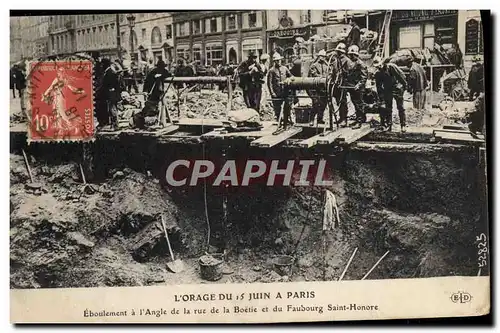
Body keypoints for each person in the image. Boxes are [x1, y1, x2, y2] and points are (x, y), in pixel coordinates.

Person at [373, 56, 408, 132]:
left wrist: (404, 87)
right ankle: (389, 125)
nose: (379, 67)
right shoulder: (378, 73)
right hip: (387, 90)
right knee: (388, 108)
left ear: (382, 63)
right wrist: (381, 98)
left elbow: (402, 76)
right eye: (377, 66)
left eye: (379, 65)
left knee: (400, 107)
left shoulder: (391, 67)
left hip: (397, 88)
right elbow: (378, 87)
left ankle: (403, 125)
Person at [134, 60, 170, 129]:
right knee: (152, 105)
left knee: (154, 105)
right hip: (153, 92)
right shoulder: (153, 72)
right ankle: (153, 119)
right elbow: (147, 81)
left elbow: (168, 74)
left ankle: (157, 118)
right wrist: (145, 91)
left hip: (158, 91)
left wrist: (160, 76)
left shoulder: (163, 71)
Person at [331, 42, 354, 127]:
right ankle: (341, 118)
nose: (337, 53)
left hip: (343, 84)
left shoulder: (347, 61)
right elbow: (333, 72)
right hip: (336, 85)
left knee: (342, 102)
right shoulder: (336, 60)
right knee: (338, 102)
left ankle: (344, 119)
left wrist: (344, 78)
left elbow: (350, 73)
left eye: (338, 51)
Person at [95, 58, 120, 130]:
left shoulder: (110, 72)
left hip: (111, 94)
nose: (101, 66)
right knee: (111, 109)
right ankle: (114, 125)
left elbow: (111, 84)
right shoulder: (109, 71)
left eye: (102, 64)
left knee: (112, 110)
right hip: (111, 93)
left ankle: (115, 125)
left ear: (104, 64)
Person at [267, 52, 293, 123]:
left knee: (287, 106)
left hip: (285, 92)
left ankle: (286, 119)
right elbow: (269, 83)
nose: (279, 62)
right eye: (277, 61)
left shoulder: (285, 68)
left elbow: (291, 76)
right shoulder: (271, 71)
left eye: (279, 60)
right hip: (276, 93)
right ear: (274, 61)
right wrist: (272, 93)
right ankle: (279, 119)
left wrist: (289, 79)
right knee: (277, 108)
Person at [347, 45, 368, 129]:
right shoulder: (351, 63)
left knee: (359, 104)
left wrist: (358, 85)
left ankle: (359, 121)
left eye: (352, 55)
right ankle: (359, 119)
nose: (351, 56)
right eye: (350, 55)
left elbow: (364, 77)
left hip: (358, 88)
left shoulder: (360, 64)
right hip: (352, 87)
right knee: (355, 103)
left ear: (356, 55)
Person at [307, 49, 329, 124]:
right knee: (315, 104)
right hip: (316, 89)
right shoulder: (314, 66)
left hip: (324, 89)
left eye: (323, 56)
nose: (322, 58)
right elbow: (313, 76)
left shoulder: (327, 66)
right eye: (321, 56)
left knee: (323, 105)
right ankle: (311, 119)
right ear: (318, 57)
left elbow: (329, 75)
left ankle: (320, 119)